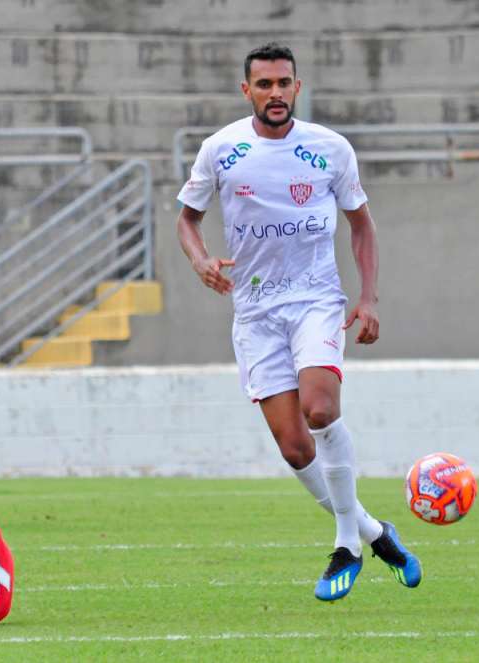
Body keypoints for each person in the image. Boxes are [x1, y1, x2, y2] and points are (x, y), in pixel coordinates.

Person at [176, 42, 421, 601]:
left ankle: (346, 545)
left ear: (297, 87)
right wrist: (201, 261)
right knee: (294, 448)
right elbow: (187, 220)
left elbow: (362, 225)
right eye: (264, 85)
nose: (275, 93)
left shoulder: (331, 149)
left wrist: (370, 298)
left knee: (320, 408)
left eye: (284, 83)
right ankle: (376, 533)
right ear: (247, 92)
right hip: (256, 309)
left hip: (314, 298)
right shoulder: (221, 150)